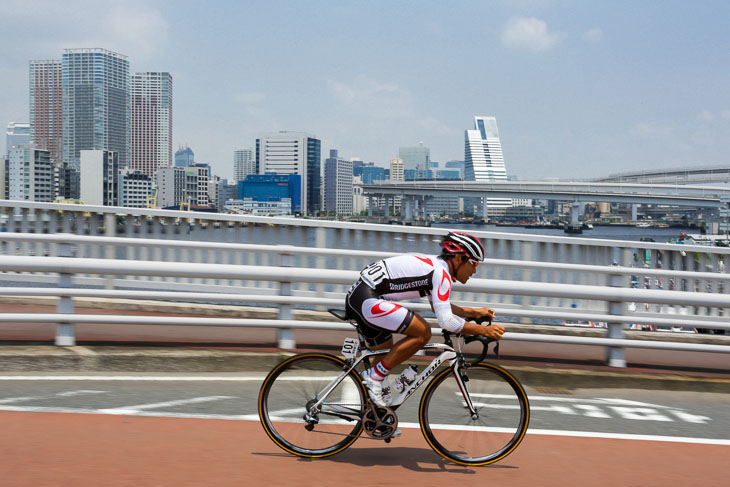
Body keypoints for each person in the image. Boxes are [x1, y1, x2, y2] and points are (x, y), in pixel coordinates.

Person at [345, 231, 505, 407]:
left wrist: (473, 313)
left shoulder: (436, 267)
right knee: (422, 332)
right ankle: (374, 377)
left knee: (385, 357)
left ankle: (377, 416)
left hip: (362, 297)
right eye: (474, 263)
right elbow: (446, 321)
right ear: (459, 259)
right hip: (368, 300)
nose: (475, 269)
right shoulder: (441, 274)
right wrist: (484, 330)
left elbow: (441, 306)